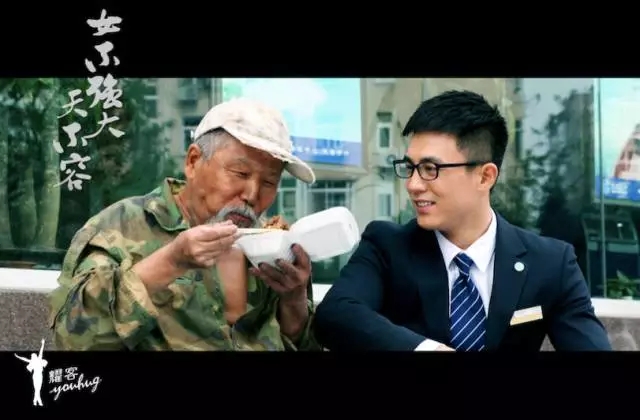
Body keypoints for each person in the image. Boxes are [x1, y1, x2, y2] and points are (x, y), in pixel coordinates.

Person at [313, 90, 612, 352]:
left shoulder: (550, 264)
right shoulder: (387, 246)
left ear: (485, 176)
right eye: (410, 167)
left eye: (430, 168)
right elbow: (335, 315)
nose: (413, 184)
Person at [49, 97, 321, 351]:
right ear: (193, 162)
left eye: (269, 182)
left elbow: (303, 344)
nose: (252, 194)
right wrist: (172, 261)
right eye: (240, 173)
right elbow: (71, 339)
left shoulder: (270, 245)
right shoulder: (122, 226)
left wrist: (294, 301)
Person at [15, 339, 48, 406]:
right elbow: (24, 359)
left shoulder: (39, 359)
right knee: (37, 389)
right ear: (32, 357)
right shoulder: (31, 361)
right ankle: (39, 402)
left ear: (36, 356)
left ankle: (35, 401)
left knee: (38, 389)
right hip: (35, 376)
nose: (33, 356)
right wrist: (18, 356)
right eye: (32, 356)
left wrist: (43, 343)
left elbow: (41, 351)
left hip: (40, 375)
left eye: (34, 355)